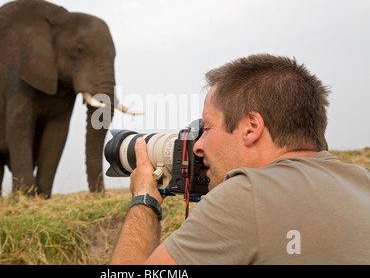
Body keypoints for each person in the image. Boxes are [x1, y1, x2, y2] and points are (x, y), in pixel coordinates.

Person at [110, 53, 370, 265]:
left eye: (208, 128)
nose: (198, 147)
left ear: (251, 127)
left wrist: (144, 199)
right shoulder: (362, 181)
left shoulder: (246, 195)